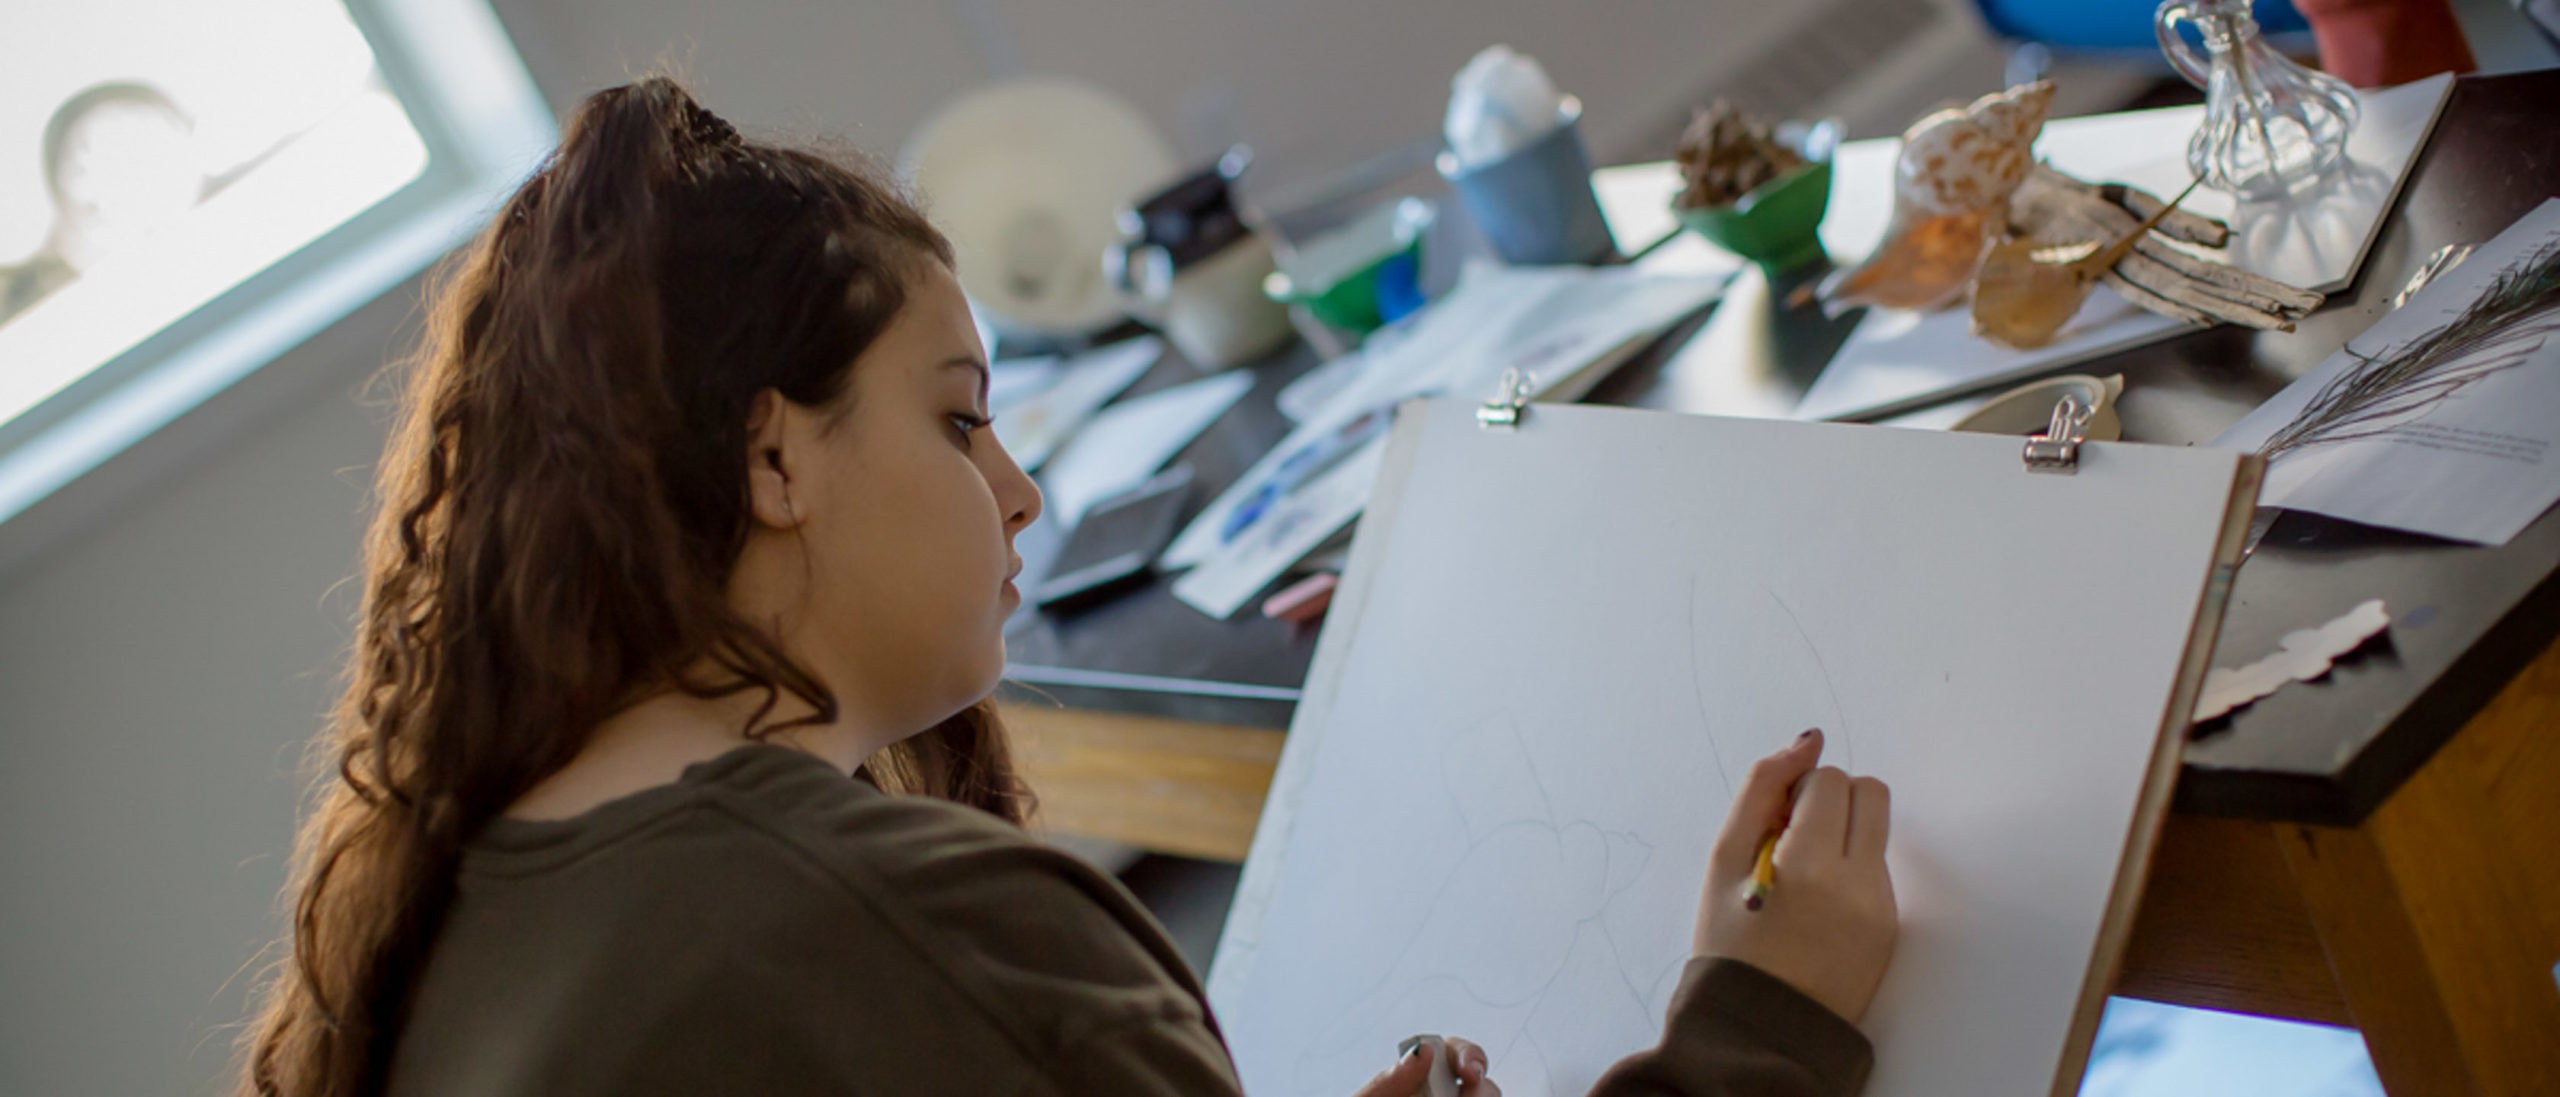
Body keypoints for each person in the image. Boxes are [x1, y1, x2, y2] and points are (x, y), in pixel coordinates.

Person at [236, 77, 1899, 1097]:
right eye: (959, 420)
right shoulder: (916, 936)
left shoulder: (453, 926)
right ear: (774, 458)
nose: (1018, 490)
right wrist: (1760, 1026)